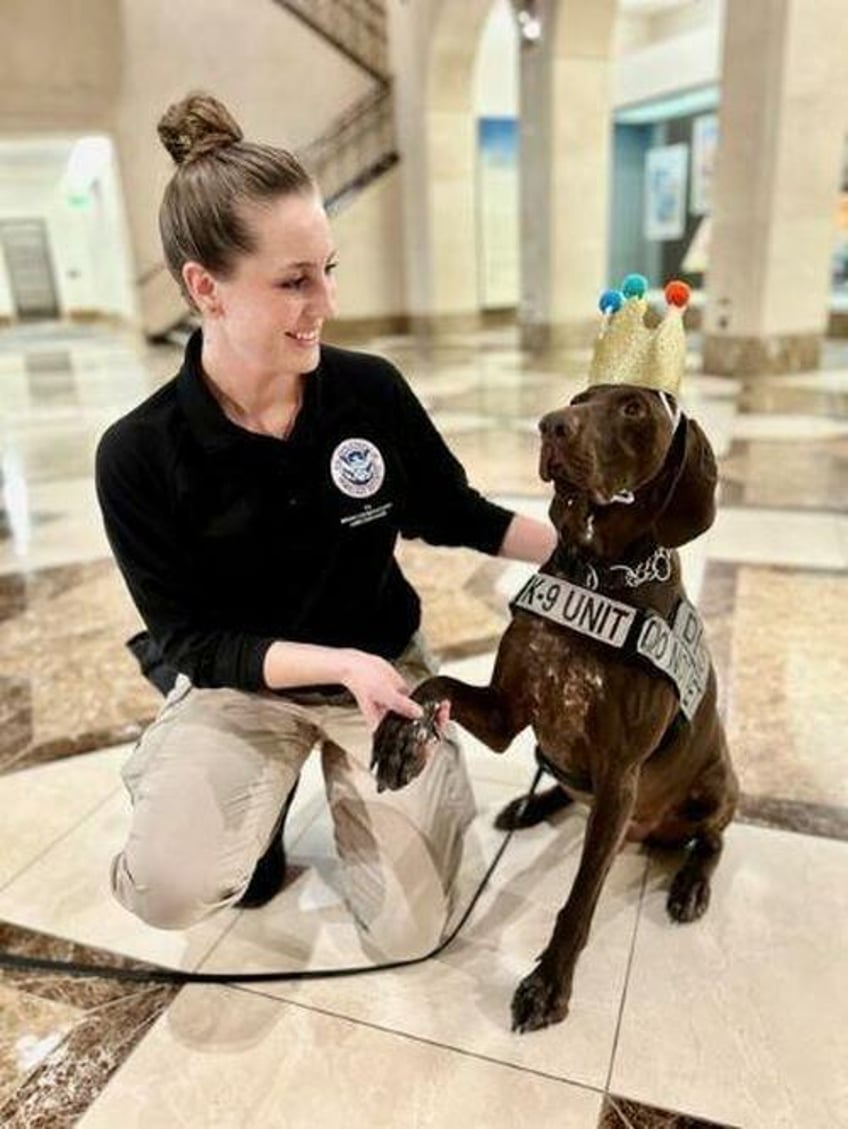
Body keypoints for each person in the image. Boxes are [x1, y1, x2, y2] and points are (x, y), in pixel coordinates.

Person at [96, 93, 557, 960]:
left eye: (329, 269)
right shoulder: (138, 453)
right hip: (243, 679)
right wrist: (335, 663)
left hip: (381, 672)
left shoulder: (368, 390)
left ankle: (338, 793)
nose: (327, 302)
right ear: (206, 288)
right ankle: (235, 804)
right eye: (294, 281)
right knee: (171, 887)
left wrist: (583, 553)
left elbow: (453, 512)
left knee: (407, 934)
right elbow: (195, 639)